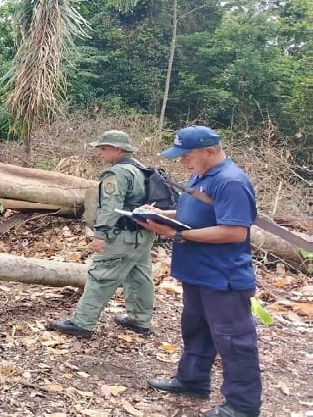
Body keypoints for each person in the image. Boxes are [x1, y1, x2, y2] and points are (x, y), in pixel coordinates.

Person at [140, 125, 261, 417]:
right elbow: (193, 212)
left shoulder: (231, 182)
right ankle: (192, 380)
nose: (181, 161)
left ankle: (243, 405)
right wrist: (159, 215)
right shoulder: (200, 175)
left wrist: (176, 235)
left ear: (210, 150)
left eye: (186, 155)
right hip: (196, 272)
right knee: (196, 330)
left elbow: (234, 232)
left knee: (234, 341)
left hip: (223, 277)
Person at [48, 130, 155, 337]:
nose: (100, 153)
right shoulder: (141, 169)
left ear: (117, 149)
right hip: (142, 234)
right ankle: (139, 320)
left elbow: (110, 206)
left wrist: (101, 234)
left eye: (103, 148)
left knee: (101, 275)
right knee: (139, 276)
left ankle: (82, 323)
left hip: (122, 236)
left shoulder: (116, 173)